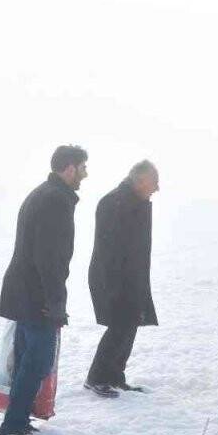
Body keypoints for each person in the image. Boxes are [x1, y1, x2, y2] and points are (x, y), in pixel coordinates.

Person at [0, 145, 88, 435]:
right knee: (37, 361)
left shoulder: (44, 193)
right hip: (37, 297)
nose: (85, 174)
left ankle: (17, 421)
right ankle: (11, 429)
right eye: (83, 167)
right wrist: (55, 304)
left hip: (24, 291)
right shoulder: (55, 200)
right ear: (69, 168)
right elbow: (49, 259)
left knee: (26, 360)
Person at [85, 160, 160, 397]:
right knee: (119, 327)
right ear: (140, 180)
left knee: (129, 326)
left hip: (132, 275)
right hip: (113, 277)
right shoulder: (114, 202)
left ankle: (115, 376)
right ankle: (96, 378)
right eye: (154, 183)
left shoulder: (134, 201)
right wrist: (115, 285)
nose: (156, 189)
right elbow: (110, 249)